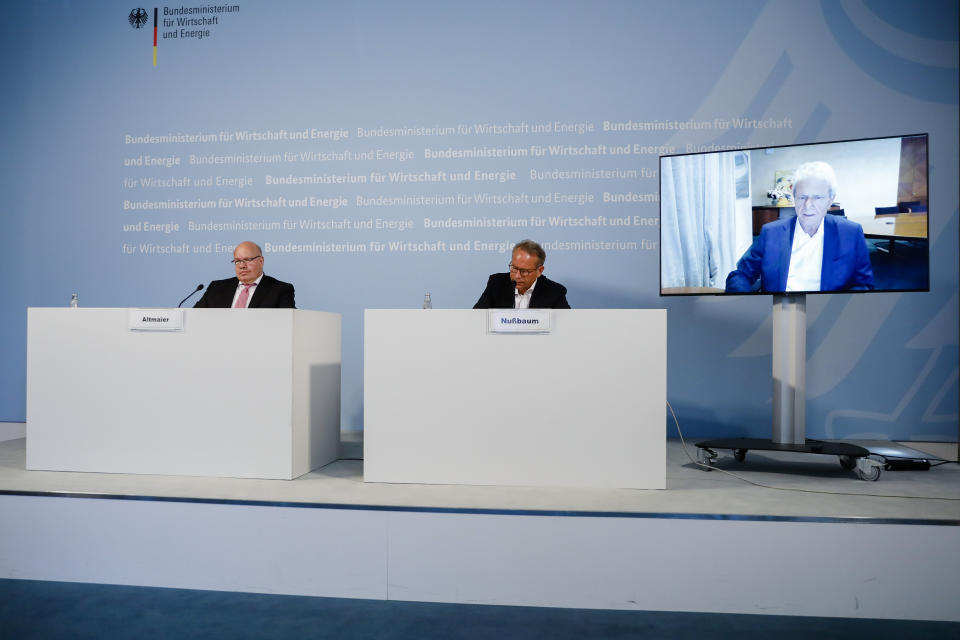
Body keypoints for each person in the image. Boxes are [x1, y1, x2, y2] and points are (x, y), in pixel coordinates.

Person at [725, 161, 874, 293]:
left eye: (818, 197)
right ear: (794, 198)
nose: (808, 205)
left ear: (830, 200)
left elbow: (864, 285)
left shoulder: (851, 233)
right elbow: (740, 275)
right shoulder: (771, 233)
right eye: (802, 197)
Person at [194, 241, 296, 308]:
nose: (242, 265)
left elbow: (288, 322)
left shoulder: (281, 290)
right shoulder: (216, 288)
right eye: (237, 261)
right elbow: (195, 316)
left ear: (261, 261)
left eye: (248, 260)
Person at [473, 239, 570, 309]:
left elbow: (566, 326)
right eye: (514, 268)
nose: (517, 276)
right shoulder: (496, 283)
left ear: (539, 271)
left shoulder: (554, 291)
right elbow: (477, 318)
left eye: (524, 271)